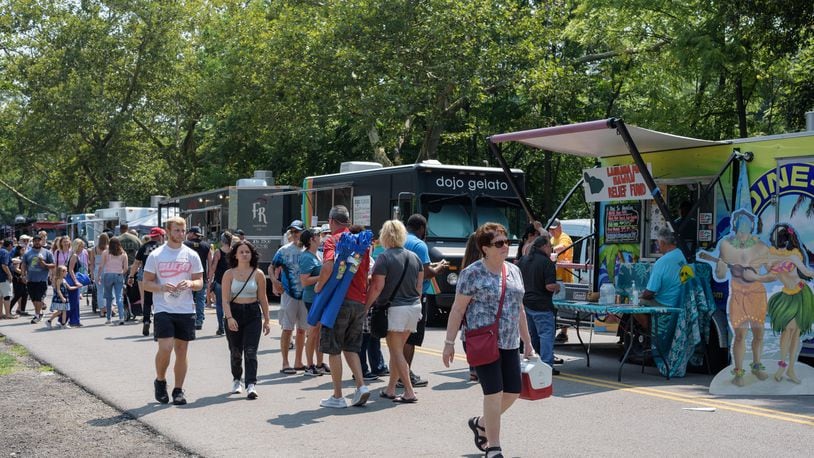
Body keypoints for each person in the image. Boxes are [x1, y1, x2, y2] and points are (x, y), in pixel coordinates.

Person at [442, 222, 532, 458]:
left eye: (507, 242)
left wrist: (528, 343)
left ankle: (481, 422)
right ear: (485, 248)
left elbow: (519, 309)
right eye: (499, 243)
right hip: (482, 340)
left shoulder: (514, 271)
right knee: (493, 392)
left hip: (510, 342)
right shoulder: (471, 273)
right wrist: (449, 343)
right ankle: (493, 446)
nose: (505, 247)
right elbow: (457, 310)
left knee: (512, 391)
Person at [313, 205, 371, 408]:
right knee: (352, 347)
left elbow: (328, 266)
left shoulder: (332, 240)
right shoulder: (362, 241)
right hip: (359, 301)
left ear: (331, 221)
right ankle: (361, 386)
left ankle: (338, 396)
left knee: (334, 348)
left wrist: (319, 285)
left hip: (338, 302)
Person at [142, 217, 204, 406]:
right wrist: (161, 288)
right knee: (166, 347)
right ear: (167, 232)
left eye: (182, 230)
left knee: (182, 350)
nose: (180, 234)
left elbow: (200, 283)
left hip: (185, 309)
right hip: (163, 308)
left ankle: (178, 390)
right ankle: (160, 380)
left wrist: (191, 283)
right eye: (176, 230)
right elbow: (146, 283)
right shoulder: (156, 255)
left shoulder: (191, 255)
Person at [365, 220, 424, 403]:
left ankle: (409, 391)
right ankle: (391, 389)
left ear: (385, 236)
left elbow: (376, 287)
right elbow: (419, 287)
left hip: (395, 309)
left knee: (396, 351)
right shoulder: (415, 257)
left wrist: (365, 307)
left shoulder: (384, 257)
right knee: (396, 350)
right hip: (414, 307)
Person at [712, 210, 770, 386]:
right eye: (741, 221)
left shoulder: (761, 247)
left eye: (748, 221)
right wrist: (721, 267)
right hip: (738, 294)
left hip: (758, 294)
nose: (744, 224)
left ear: (753, 225)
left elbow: (772, 272)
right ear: (735, 223)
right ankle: (738, 373)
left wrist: (756, 277)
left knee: (759, 334)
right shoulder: (726, 245)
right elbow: (720, 275)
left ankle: (757, 366)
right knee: (740, 335)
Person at [759, 224, 814, 384]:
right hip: (787, 296)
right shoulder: (772, 257)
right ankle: (782, 366)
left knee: (795, 331)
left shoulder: (794, 256)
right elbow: (769, 275)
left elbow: (807, 272)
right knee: (788, 330)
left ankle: (789, 368)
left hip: (801, 294)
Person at [402, 214, 448, 388]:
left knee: (399, 337)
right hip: (415, 295)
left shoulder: (400, 240)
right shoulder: (419, 245)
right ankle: (405, 375)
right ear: (422, 228)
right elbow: (426, 272)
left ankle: (399, 373)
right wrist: (440, 267)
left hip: (399, 294)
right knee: (411, 339)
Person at [221, 240, 271, 399]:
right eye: (241, 252)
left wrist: (267, 320)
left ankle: (251, 384)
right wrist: (229, 317)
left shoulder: (258, 274)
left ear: (252, 255)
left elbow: (263, 298)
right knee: (236, 351)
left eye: (247, 252)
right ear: (235, 255)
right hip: (234, 312)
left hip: (252, 314)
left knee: (251, 351)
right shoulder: (229, 274)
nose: (244, 254)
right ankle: (237, 380)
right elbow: (225, 300)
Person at [519, 234, 561, 375]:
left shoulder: (523, 260)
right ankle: (547, 365)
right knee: (546, 335)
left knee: (533, 335)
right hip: (542, 305)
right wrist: (557, 287)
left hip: (526, 304)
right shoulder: (546, 263)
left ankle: (535, 361)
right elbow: (549, 286)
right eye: (550, 246)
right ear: (543, 246)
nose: (551, 249)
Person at [270, 221, 306, 374]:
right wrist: (274, 281)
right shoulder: (284, 251)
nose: (295, 234)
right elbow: (272, 267)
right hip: (289, 294)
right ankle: (285, 363)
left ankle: (298, 361)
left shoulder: (309, 251)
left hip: (305, 295)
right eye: (293, 232)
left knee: (302, 330)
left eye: (298, 231)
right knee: (287, 329)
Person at [298, 229, 328, 376]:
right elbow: (304, 281)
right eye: (317, 235)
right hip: (311, 298)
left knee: (319, 332)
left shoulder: (317, 255)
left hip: (319, 297)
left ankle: (320, 363)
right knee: (313, 332)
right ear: (311, 239)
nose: (320, 237)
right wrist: (323, 276)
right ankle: (309, 365)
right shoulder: (306, 257)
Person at [129, 227, 165, 336]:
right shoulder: (163, 247)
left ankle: (146, 320)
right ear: (160, 236)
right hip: (161, 277)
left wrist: (131, 276)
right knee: (162, 301)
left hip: (147, 276)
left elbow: (136, 263)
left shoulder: (144, 247)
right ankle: (159, 325)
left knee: (147, 301)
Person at [639, 228, 686, 310]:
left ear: (662, 243)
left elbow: (650, 292)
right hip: (681, 301)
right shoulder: (681, 255)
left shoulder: (661, 262)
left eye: (658, 244)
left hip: (666, 303)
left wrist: (640, 295)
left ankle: (648, 323)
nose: (658, 247)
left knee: (637, 301)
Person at [21, 234, 55, 323]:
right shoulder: (28, 253)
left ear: (41, 241)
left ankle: (36, 315)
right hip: (31, 279)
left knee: (39, 298)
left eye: (38, 240)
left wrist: (45, 264)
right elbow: (24, 264)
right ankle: (39, 313)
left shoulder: (47, 252)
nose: (37, 242)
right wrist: (23, 275)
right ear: (33, 242)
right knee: (34, 299)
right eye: (35, 240)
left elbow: (53, 265)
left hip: (42, 280)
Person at [550, 219, 574, 344]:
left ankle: (564, 332)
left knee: (564, 306)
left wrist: (550, 250)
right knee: (554, 305)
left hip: (565, 277)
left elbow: (562, 247)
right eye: (550, 229)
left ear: (560, 227)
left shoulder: (565, 237)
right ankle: (556, 330)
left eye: (554, 229)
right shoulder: (552, 239)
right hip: (555, 276)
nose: (552, 231)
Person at [184, 227, 211, 330]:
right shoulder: (206, 246)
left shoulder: (185, 244)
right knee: (200, 299)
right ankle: (199, 320)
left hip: (187, 276)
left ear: (193, 234)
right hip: (201, 276)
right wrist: (208, 275)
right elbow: (210, 261)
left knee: (187, 298)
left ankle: (188, 319)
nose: (187, 234)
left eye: (189, 233)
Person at [207, 231, 233, 336]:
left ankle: (221, 327)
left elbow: (213, 267)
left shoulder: (218, 252)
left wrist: (209, 280)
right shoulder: (234, 251)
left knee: (219, 304)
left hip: (219, 281)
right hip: (232, 282)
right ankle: (229, 325)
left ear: (222, 241)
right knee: (230, 304)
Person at [97, 237, 128, 325]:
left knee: (108, 297)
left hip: (108, 274)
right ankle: (121, 317)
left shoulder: (106, 252)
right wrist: (121, 273)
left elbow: (101, 265)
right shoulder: (123, 253)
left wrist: (98, 276)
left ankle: (109, 318)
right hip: (119, 275)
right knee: (119, 297)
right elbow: (125, 268)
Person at [10, 236, 30, 316]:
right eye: (22, 250)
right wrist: (24, 274)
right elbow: (16, 269)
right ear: (19, 250)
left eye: (24, 249)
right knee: (17, 295)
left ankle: (22, 310)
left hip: (23, 278)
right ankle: (9, 309)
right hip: (17, 279)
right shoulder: (17, 258)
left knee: (25, 294)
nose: (24, 251)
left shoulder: (24, 257)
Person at [90, 233, 109, 317]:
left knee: (100, 291)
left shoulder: (94, 250)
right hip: (108, 269)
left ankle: (101, 310)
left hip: (97, 270)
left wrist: (92, 273)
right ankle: (108, 308)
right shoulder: (109, 249)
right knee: (108, 290)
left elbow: (92, 264)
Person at [0, 240, 14, 319]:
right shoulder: (5, 252)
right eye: (12, 246)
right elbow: (4, 265)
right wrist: (10, 275)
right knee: (7, 296)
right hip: (4, 278)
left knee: (0, 297)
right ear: (9, 245)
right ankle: (8, 314)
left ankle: (0, 314)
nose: (12, 248)